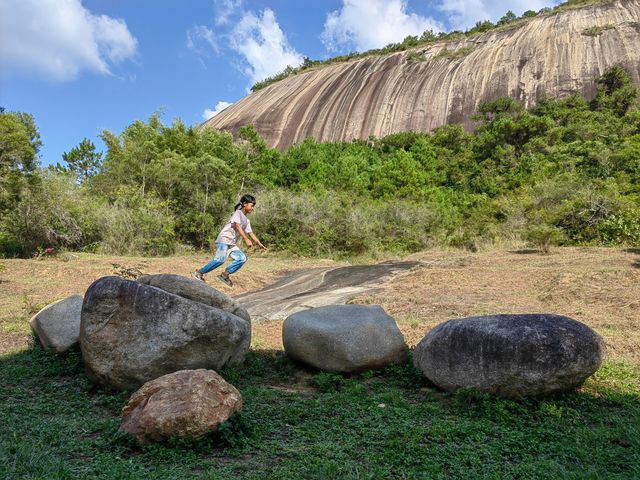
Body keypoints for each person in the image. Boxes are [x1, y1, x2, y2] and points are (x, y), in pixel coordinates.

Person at [192, 194, 267, 287]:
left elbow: (251, 232)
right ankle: (199, 273)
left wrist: (259, 244)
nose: (252, 208)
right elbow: (237, 225)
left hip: (231, 243)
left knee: (242, 258)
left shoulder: (247, 220)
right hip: (224, 239)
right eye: (251, 206)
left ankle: (225, 275)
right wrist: (246, 239)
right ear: (244, 204)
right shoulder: (238, 213)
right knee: (220, 260)